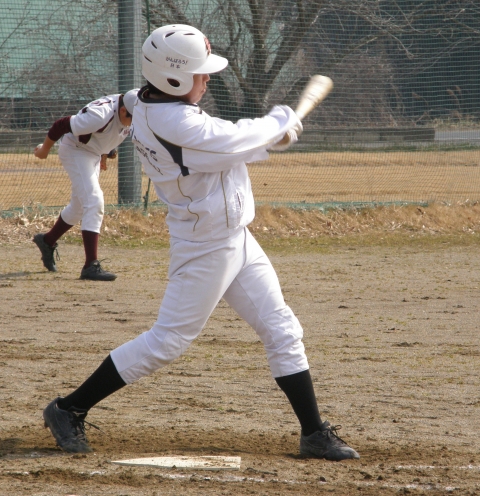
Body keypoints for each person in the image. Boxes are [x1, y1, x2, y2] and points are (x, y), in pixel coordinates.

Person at [41, 24, 359, 461]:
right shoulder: (175, 122)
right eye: (199, 73)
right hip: (205, 244)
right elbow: (232, 140)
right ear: (172, 78)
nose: (207, 79)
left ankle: (313, 433)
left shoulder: (146, 99)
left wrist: (272, 135)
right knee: (167, 342)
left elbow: (211, 134)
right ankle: (68, 408)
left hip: (235, 237)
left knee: (282, 328)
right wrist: (280, 123)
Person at [32, 89, 139, 281]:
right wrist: (45, 150)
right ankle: (91, 265)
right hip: (76, 150)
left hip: (92, 153)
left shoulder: (133, 105)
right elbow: (61, 124)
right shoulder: (100, 115)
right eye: (134, 118)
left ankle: (47, 240)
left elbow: (110, 132)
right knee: (94, 201)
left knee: (80, 206)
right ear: (123, 111)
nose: (136, 122)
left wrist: (106, 151)